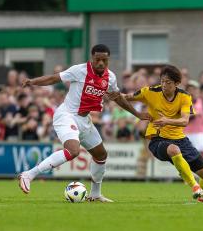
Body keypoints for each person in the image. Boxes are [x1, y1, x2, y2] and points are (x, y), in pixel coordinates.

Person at [18, 44, 150, 202]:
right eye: (97, 59)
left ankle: (95, 194)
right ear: (92, 58)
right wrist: (33, 81)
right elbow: (54, 78)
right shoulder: (79, 70)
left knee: (101, 155)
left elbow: (118, 98)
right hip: (67, 115)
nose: (101, 63)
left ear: (108, 60)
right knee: (73, 151)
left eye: (104, 60)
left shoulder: (111, 78)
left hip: (84, 120)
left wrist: (137, 114)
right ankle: (29, 174)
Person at [124, 65, 203, 203]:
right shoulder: (150, 92)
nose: (164, 85)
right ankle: (194, 186)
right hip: (157, 139)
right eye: (162, 81)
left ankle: (202, 198)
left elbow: (185, 121)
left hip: (180, 139)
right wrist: (115, 97)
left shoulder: (185, 96)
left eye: (168, 82)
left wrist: (166, 120)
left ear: (176, 84)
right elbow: (126, 97)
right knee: (174, 149)